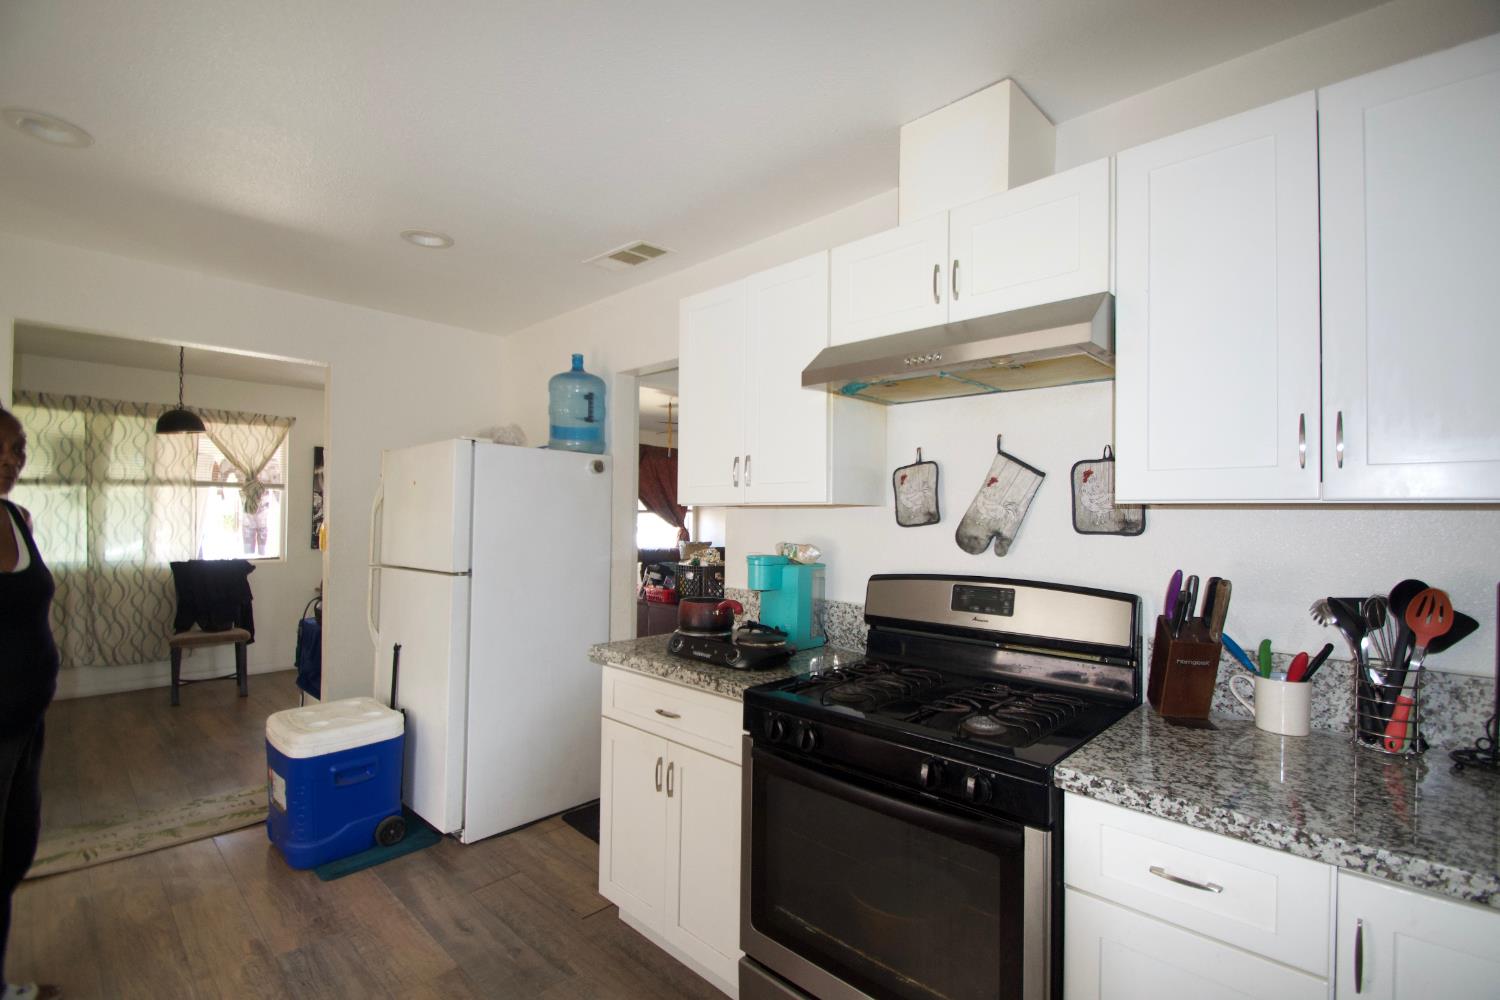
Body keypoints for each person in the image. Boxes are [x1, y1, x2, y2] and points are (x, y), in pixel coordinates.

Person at [0, 404, 62, 1000]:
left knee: (14, 851)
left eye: (18, 451)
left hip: (27, 718)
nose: (10, 460)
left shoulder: (18, 518)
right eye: (1, 448)